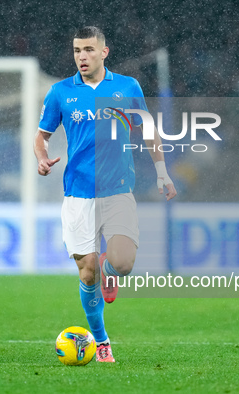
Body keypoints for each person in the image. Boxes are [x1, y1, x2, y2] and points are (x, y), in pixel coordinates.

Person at [34, 26, 176, 363]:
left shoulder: (127, 87)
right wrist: (41, 158)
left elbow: (148, 130)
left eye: (88, 50)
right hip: (78, 194)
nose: (81, 56)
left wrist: (161, 171)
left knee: (123, 263)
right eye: (76, 51)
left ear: (104, 52)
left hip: (118, 191)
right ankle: (101, 341)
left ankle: (109, 273)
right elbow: (41, 136)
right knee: (86, 273)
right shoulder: (60, 92)